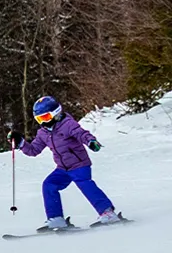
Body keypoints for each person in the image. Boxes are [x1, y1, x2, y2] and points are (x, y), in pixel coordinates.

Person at [8, 96, 121, 230]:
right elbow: (34, 150)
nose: (43, 122)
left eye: (45, 118)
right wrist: (21, 143)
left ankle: (108, 213)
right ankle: (56, 219)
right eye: (39, 119)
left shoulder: (68, 124)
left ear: (55, 113)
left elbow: (82, 134)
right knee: (49, 185)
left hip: (79, 164)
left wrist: (91, 142)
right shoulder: (43, 133)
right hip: (63, 168)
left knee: (85, 184)